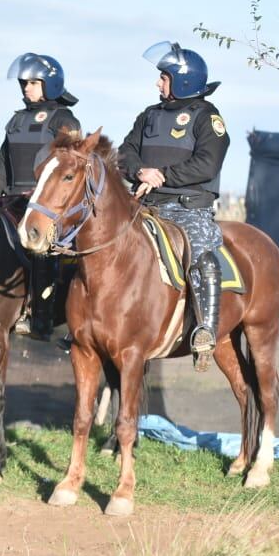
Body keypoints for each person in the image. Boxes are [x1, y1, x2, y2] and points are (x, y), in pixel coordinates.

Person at [118, 41, 229, 372]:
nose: (157, 83)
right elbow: (124, 152)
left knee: (200, 253)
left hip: (187, 208)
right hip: (144, 205)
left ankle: (205, 329)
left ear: (182, 81)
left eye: (163, 77)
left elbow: (207, 165)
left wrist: (163, 175)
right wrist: (140, 171)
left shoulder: (208, 118)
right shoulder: (148, 115)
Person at [0, 53, 81, 339]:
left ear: (49, 84)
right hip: (11, 200)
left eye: (33, 83)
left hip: (46, 204)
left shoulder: (65, 120)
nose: (26, 88)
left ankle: (41, 317)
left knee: (42, 249)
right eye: (24, 83)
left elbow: (70, 166)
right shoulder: (16, 120)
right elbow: (3, 163)